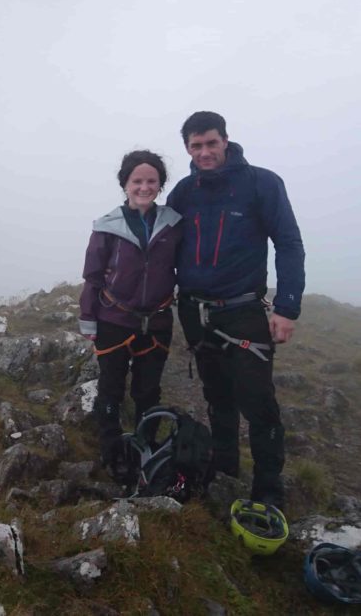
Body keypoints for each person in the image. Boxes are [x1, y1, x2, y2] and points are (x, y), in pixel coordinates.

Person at [167, 111, 305, 509]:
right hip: (195, 312)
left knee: (258, 403)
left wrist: (287, 307)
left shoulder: (262, 183)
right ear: (188, 149)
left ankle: (268, 494)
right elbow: (164, 244)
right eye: (196, 146)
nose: (205, 152)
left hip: (243, 311)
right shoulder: (182, 192)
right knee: (218, 398)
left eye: (211, 143)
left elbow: (289, 243)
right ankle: (226, 475)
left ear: (226, 140)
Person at [80, 150, 183, 480]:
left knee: (148, 391)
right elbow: (93, 277)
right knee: (111, 389)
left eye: (151, 181)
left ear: (160, 185)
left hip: (157, 322)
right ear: (125, 183)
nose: (144, 186)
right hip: (114, 320)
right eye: (137, 180)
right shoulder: (106, 227)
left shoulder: (173, 225)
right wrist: (88, 317)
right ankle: (112, 451)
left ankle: (144, 449)